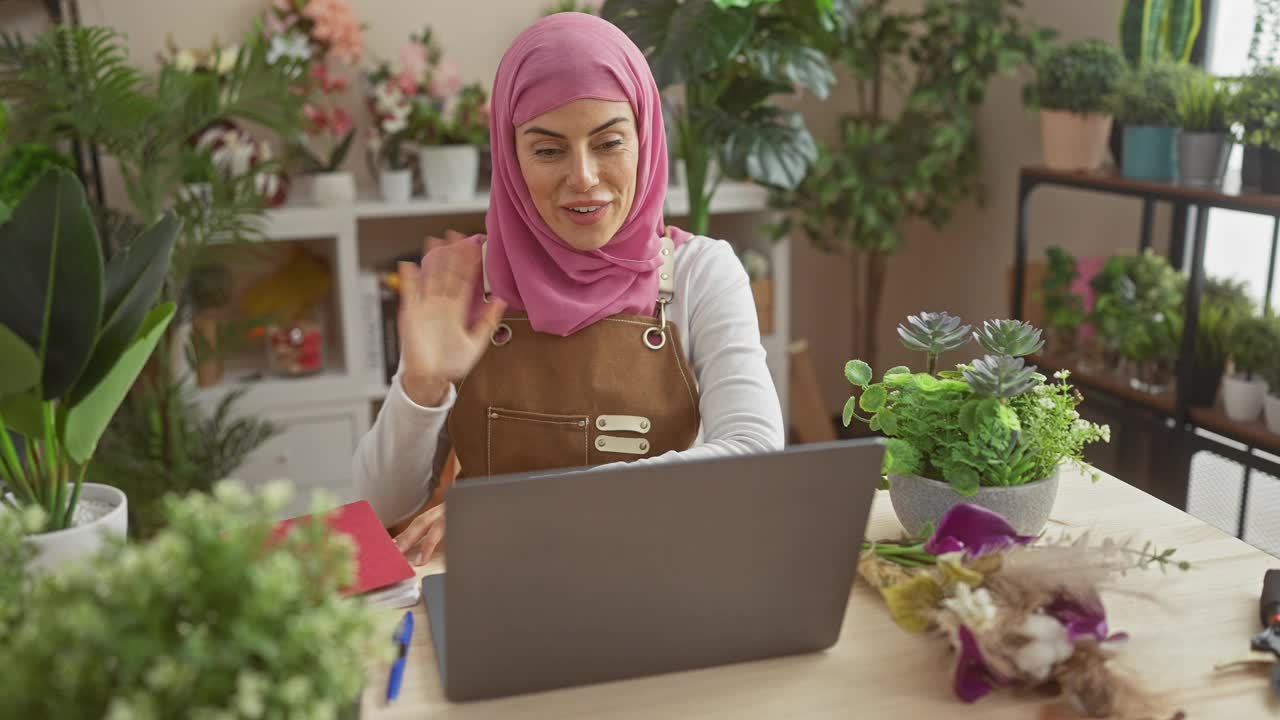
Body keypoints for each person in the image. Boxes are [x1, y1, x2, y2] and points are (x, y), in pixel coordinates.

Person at [352, 12, 784, 566]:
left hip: (661, 571)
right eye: (549, 150)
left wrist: (519, 507)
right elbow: (377, 506)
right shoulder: (462, 280)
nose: (583, 177)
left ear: (645, 139)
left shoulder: (702, 273)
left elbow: (753, 454)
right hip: (500, 584)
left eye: (608, 143)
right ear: (510, 157)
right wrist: (422, 385)